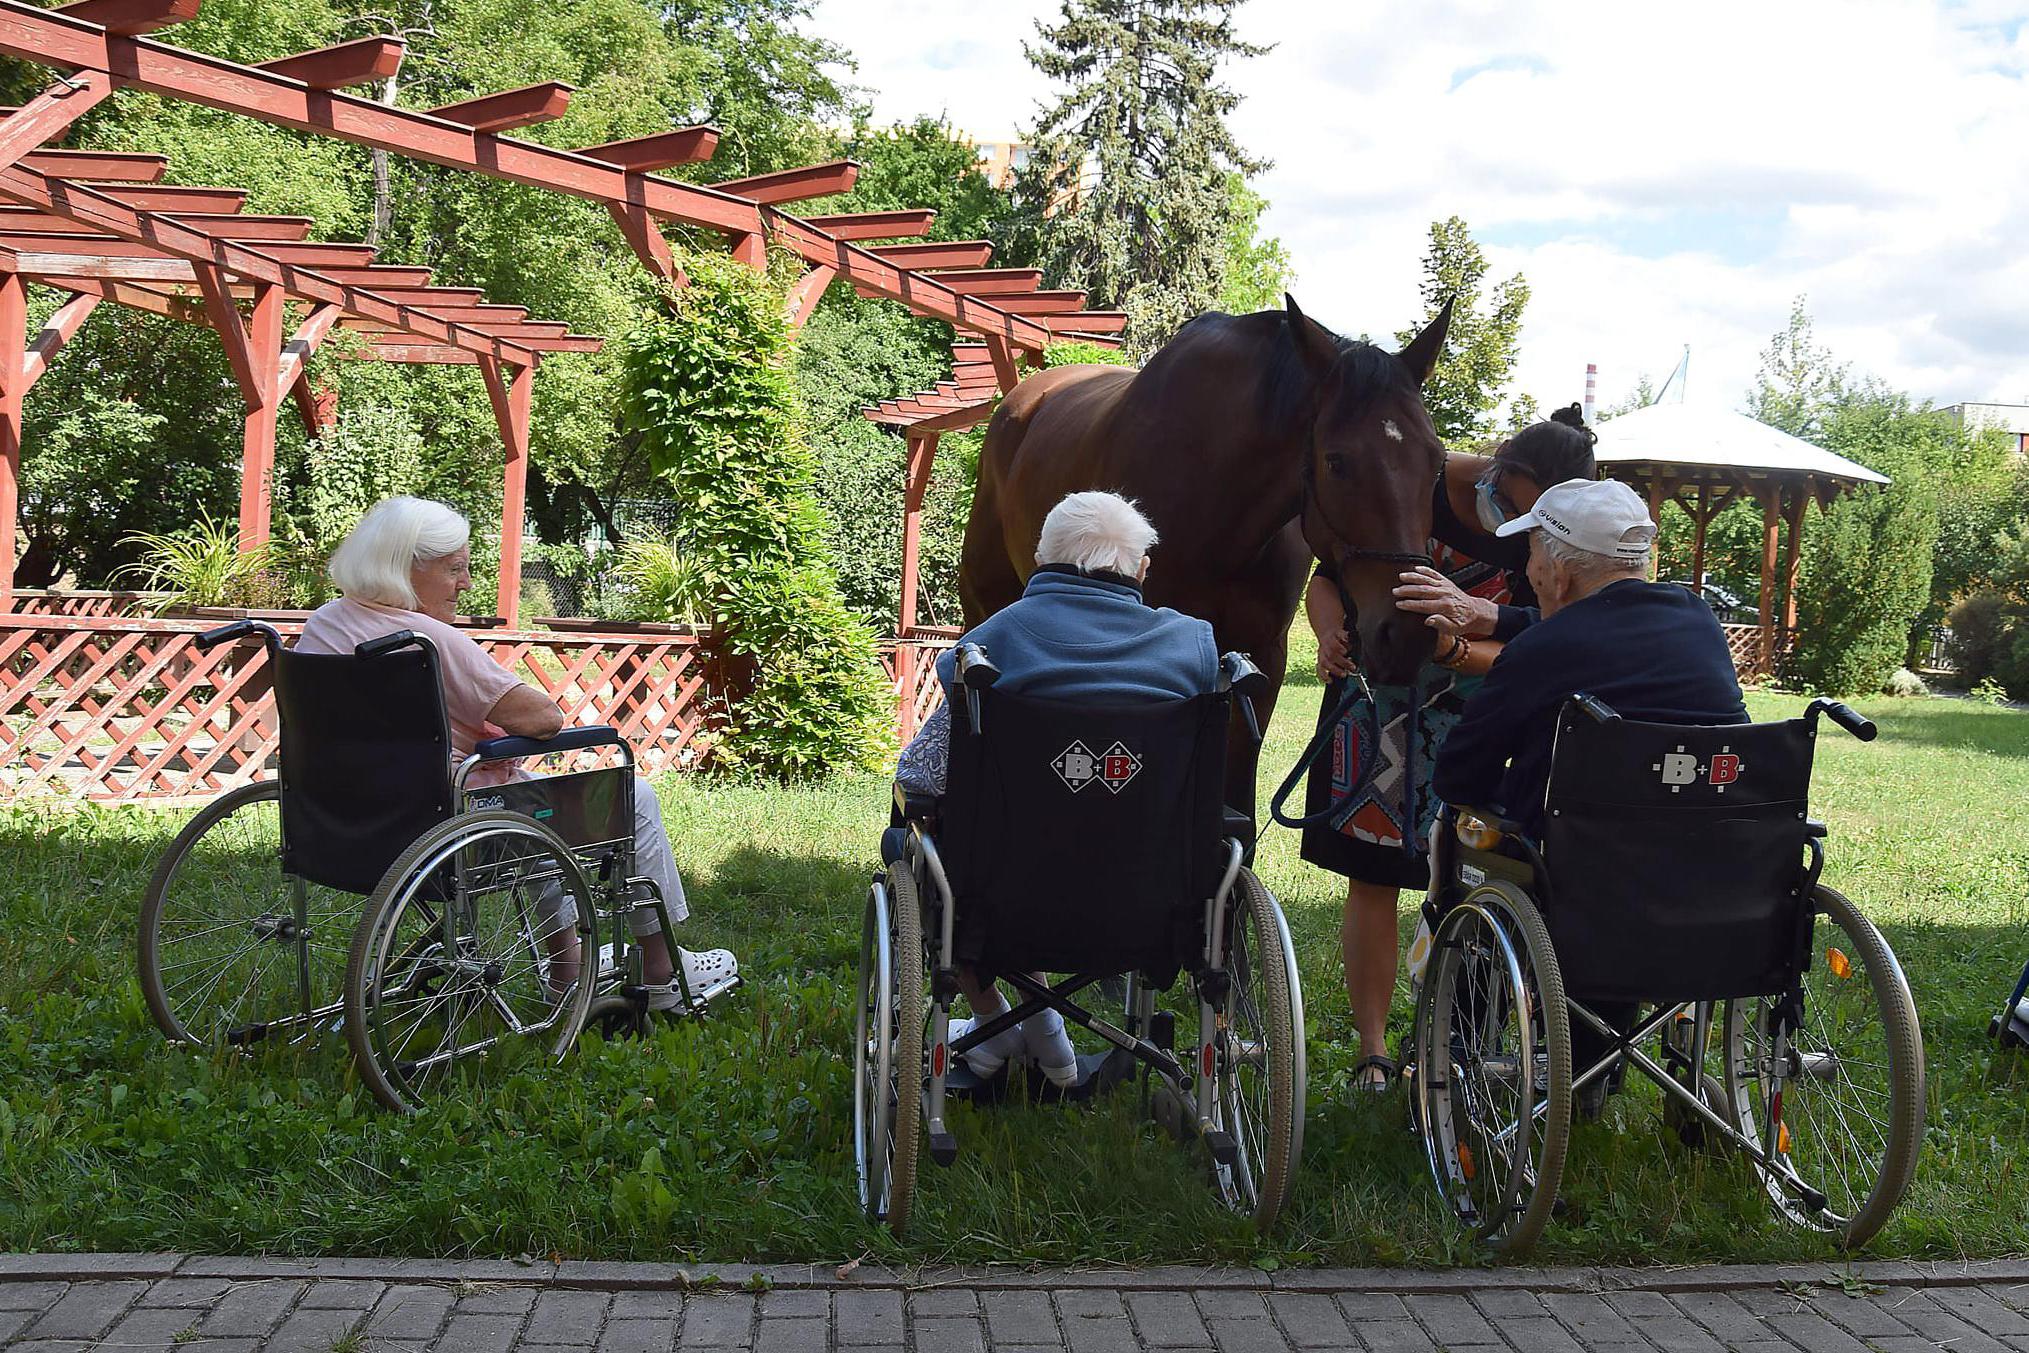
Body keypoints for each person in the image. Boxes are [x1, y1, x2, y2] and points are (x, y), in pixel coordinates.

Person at [298, 496, 736, 1010]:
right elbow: (542, 718)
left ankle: (568, 968)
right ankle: (661, 971)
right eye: (455, 568)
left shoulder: (325, 624)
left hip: (344, 825)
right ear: (406, 568)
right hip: (447, 826)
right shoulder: (428, 642)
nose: (464, 583)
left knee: (531, 798)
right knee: (628, 795)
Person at [1302, 405, 1596, 1092]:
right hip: (1375, 714)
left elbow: (1545, 644)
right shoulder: (1412, 481)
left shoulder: (1561, 533)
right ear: (1498, 466)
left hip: (1485, 719)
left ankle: (1460, 1043)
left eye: (1534, 518)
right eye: (1513, 506)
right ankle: (1373, 1049)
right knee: (1371, 875)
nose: (1516, 526)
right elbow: (1326, 577)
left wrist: (1460, 650)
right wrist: (1325, 634)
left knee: (1483, 877)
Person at [897, 491, 1218, 1088]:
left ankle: (995, 1023)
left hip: (1005, 903)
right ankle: (1049, 1051)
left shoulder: (993, 645)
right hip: (1153, 904)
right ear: (1141, 568)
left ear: (1042, 558)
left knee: (923, 841)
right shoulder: (1193, 647)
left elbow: (920, 776)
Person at [1432, 476, 1749, 838]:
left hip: (1578, 856)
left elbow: (1458, 778)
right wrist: (1496, 617)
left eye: (1532, 554)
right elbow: (1604, 627)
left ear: (1558, 574)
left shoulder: (1539, 650)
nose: (1529, 568)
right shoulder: (1697, 617)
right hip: (1710, 838)